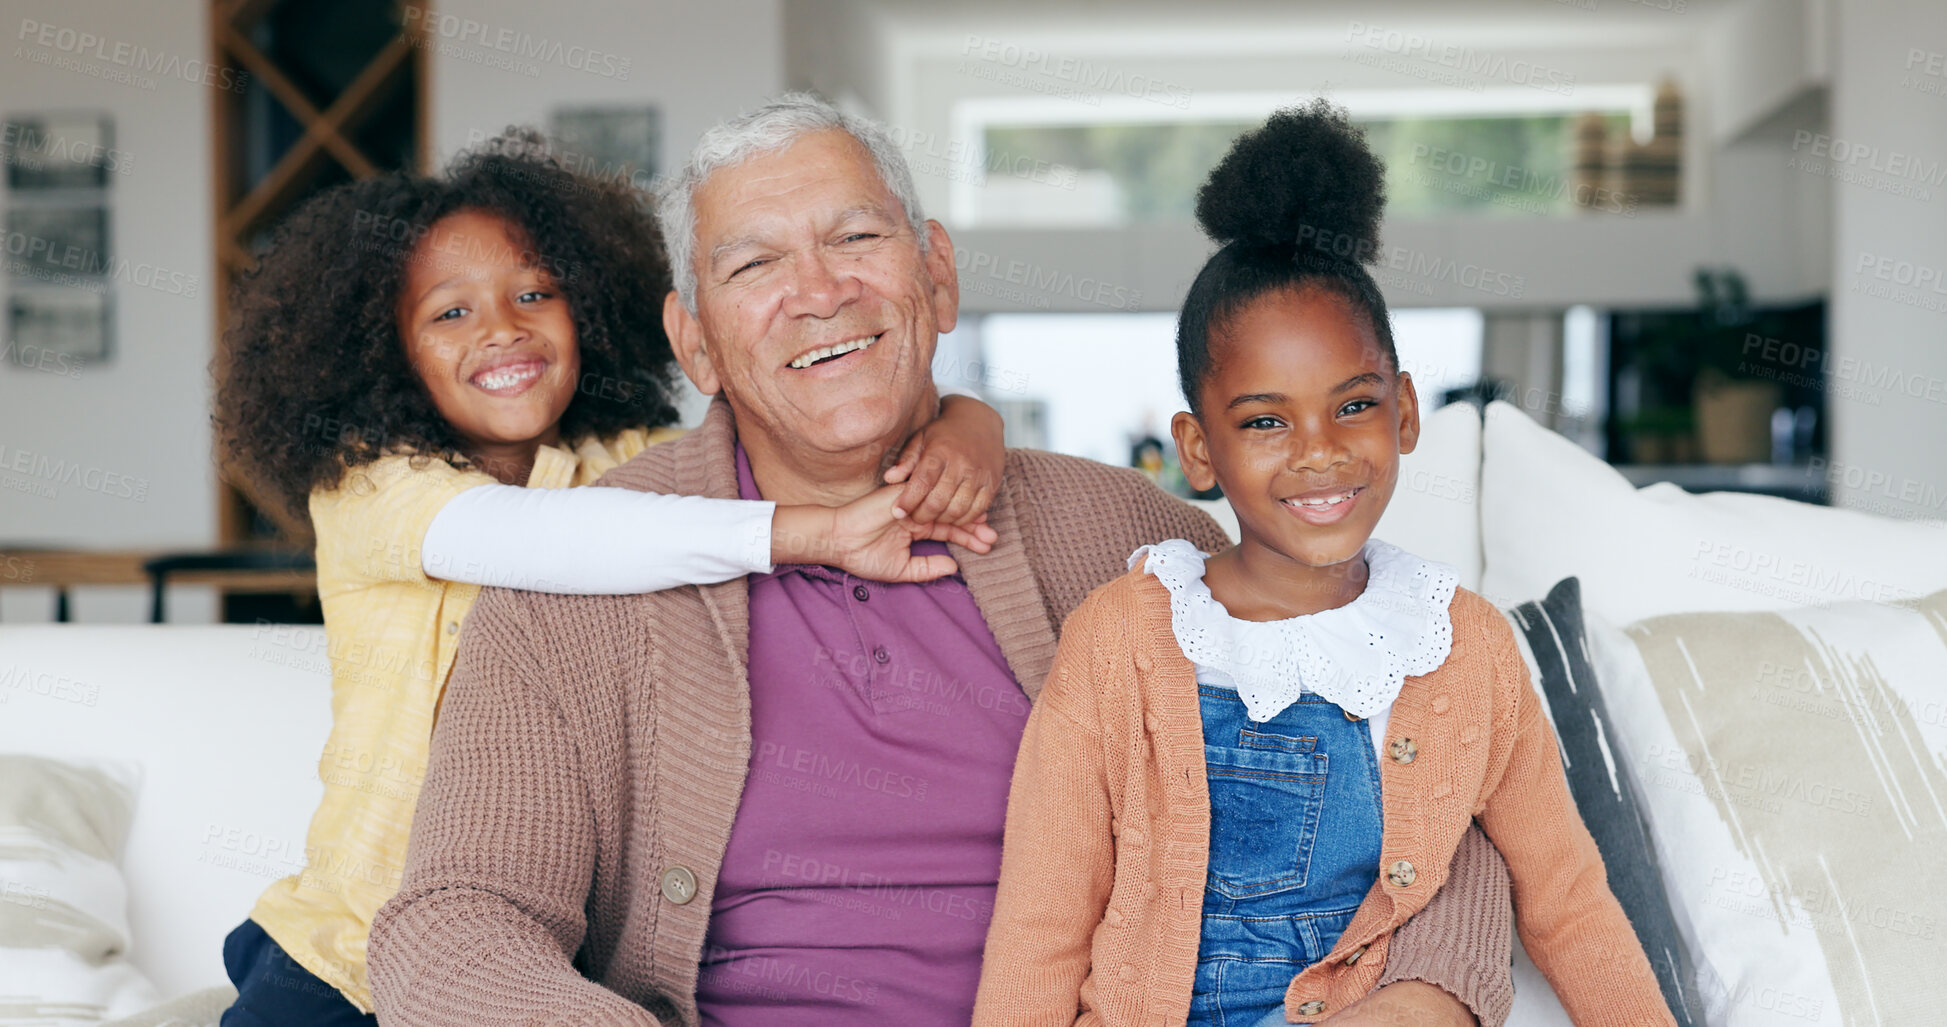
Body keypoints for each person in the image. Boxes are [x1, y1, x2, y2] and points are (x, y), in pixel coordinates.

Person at [367, 94, 1521, 1027]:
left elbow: (1414, 794)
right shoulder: (585, 575)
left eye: (857, 237)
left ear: (938, 277)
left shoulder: (1132, 542)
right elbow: (459, 919)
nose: (820, 292)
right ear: (695, 342)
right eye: (755, 264)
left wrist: (1423, 997)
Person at [210, 132, 1007, 1026]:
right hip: (347, 949)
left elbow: (778, 436)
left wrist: (968, 421)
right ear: (381, 351)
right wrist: (813, 533)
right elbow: (532, 538)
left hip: (534, 960)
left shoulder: (618, 462)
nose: (503, 328)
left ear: (587, 307)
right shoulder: (369, 487)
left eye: (532, 294)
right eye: (449, 314)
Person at [971, 104, 1675, 1027]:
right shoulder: (1121, 637)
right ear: (1197, 447)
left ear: (1405, 412)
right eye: (1265, 420)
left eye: (1352, 406)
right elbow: (1041, 921)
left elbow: (1568, 900)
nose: (1318, 453)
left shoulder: (1462, 646)